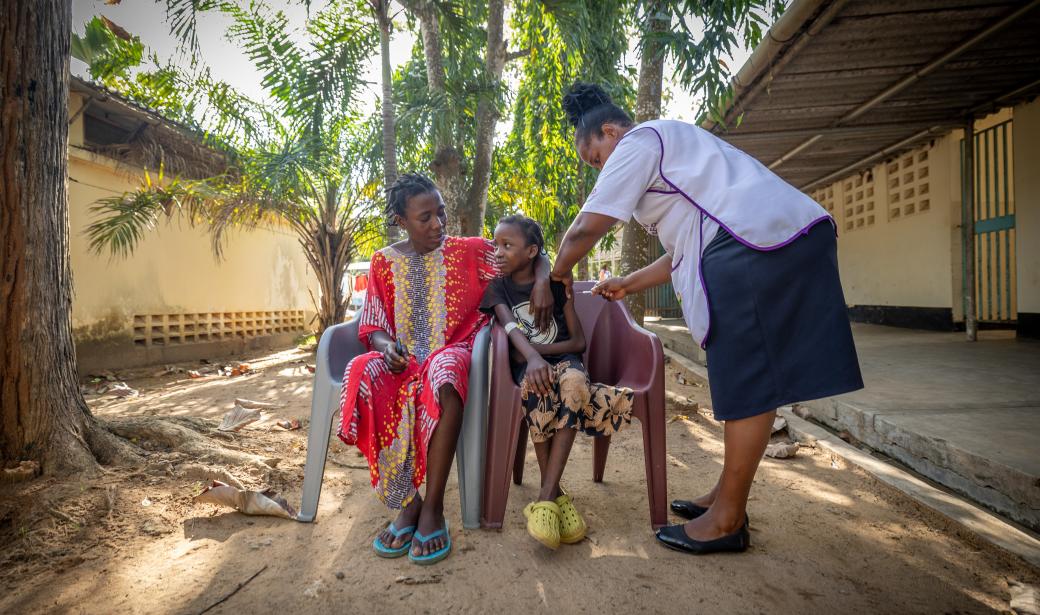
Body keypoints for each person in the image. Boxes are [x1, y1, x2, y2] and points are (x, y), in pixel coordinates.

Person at [549, 83, 864, 555]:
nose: (599, 169)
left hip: (754, 243)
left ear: (611, 132)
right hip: (771, 238)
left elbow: (586, 227)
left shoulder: (640, 142)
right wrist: (629, 283)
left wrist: (555, 276)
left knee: (747, 379)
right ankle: (725, 496)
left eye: (595, 158)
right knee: (756, 380)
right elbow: (681, 251)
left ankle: (727, 520)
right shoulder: (672, 155)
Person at [338, 174, 556, 565]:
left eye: (441, 213)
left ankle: (433, 508)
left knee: (444, 373)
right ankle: (409, 502)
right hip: (404, 362)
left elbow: (533, 254)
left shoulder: (470, 251)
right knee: (363, 370)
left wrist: (542, 281)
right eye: (425, 218)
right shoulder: (383, 262)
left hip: (453, 350)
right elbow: (373, 325)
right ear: (402, 221)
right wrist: (388, 350)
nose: (438, 224)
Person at [480, 214, 633, 550]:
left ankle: (546, 497)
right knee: (538, 390)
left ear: (532, 251)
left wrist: (538, 352)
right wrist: (533, 359)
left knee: (575, 385)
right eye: (496, 245)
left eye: (507, 245)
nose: (498, 252)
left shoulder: (555, 285)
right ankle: (558, 497)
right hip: (529, 369)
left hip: (565, 361)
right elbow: (510, 330)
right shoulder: (497, 288)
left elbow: (578, 342)